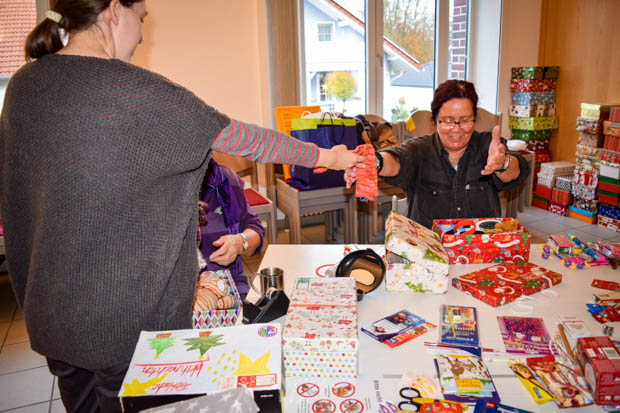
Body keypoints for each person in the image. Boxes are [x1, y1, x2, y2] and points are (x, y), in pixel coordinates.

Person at [0, 1, 365, 412]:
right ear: (115, 11)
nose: (141, 35)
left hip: (51, 312)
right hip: (125, 328)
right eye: (142, 19)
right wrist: (331, 158)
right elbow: (248, 140)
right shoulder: (141, 93)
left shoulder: (24, 85)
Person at [347, 80, 530, 228]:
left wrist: (502, 163)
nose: (456, 130)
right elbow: (396, 160)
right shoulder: (419, 149)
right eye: (448, 121)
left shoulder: (488, 145)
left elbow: (516, 170)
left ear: (474, 119)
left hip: (480, 252)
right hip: (429, 253)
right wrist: (374, 162)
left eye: (465, 120)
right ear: (435, 120)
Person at [198, 159, 264, 299]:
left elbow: (254, 229)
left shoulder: (225, 180)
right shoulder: (158, 190)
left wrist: (240, 241)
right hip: (178, 298)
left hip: (228, 287)